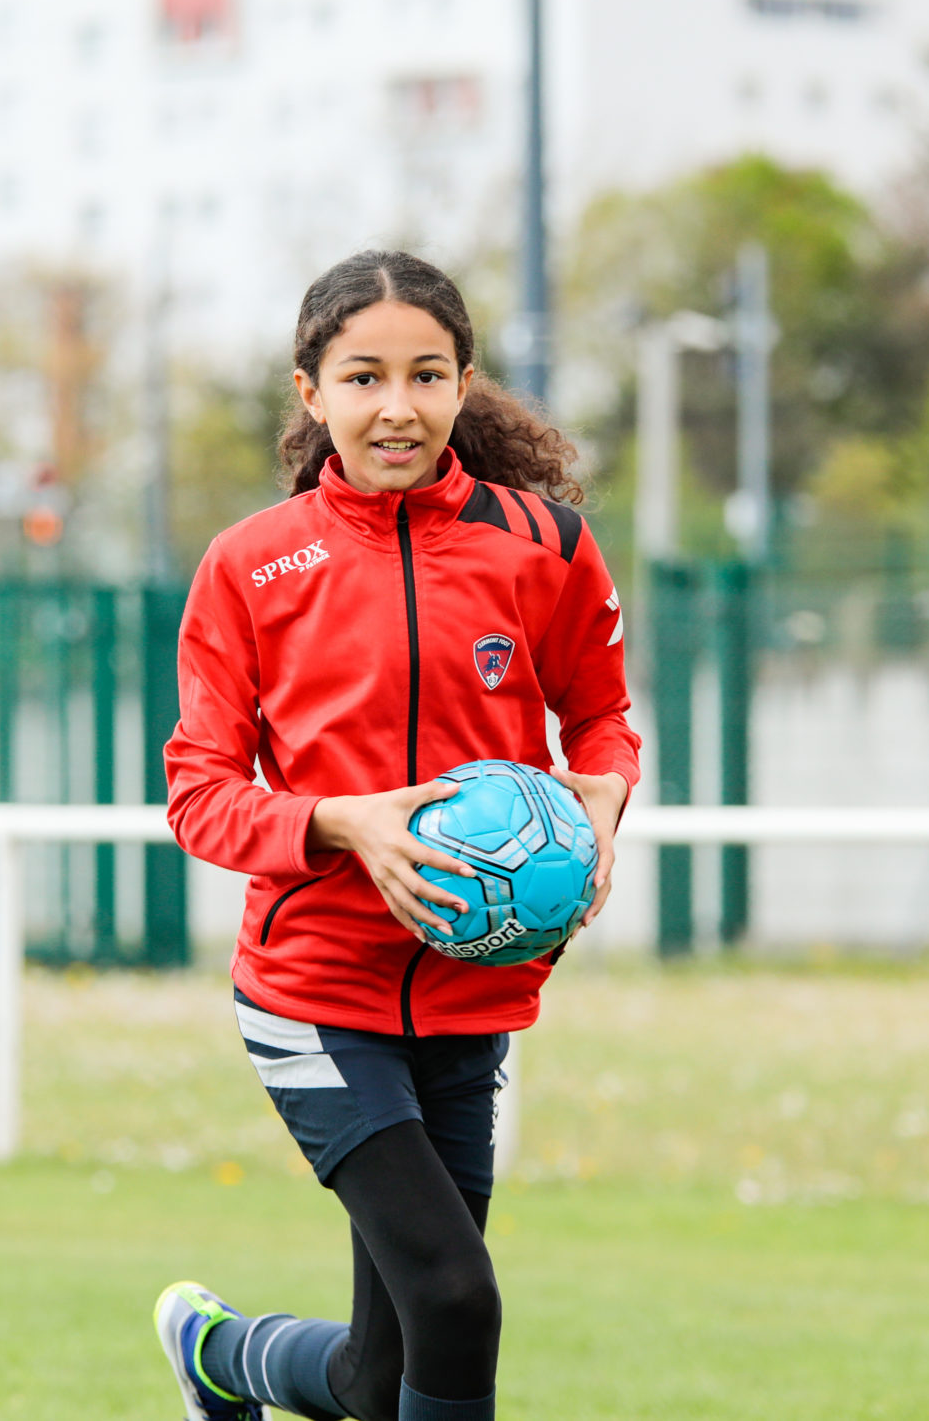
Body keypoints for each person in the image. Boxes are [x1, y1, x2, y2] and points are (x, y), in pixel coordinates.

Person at [153, 251, 639, 1421]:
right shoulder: (251, 566)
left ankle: (217, 1355)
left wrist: (602, 798)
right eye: (363, 377)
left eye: (426, 375)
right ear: (311, 394)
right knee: (458, 1302)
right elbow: (199, 791)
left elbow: (604, 717)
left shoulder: (548, 547)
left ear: (463, 383)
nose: (397, 405)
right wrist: (338, 822)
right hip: (314, 990)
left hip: (477, 986)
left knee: (389, 1369)